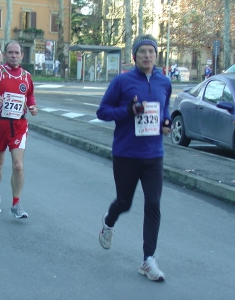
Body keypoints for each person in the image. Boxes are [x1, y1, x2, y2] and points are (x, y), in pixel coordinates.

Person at [96, 34, 172, 282]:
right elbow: (103, 111)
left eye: (151, 51)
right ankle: (109, 223)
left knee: (153, 204)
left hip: (154, 155)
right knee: (124, 203)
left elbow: (165, 107)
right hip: (126, 154)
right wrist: (128, 111)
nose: (147, 56)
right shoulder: (122, 81)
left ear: (156, 55)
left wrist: (166, 121)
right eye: (142, 52)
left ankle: (148, 260)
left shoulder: (164, 82)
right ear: (134, 56)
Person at [0, 41, 38, 219]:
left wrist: (33, 107)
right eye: (10, 52)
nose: (14, 55)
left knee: (18, 165)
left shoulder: (26, 76)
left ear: (22, 55)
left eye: (17, 53)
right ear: (5, 54)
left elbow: (30, 96)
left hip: (18, 125)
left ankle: (16, 204)